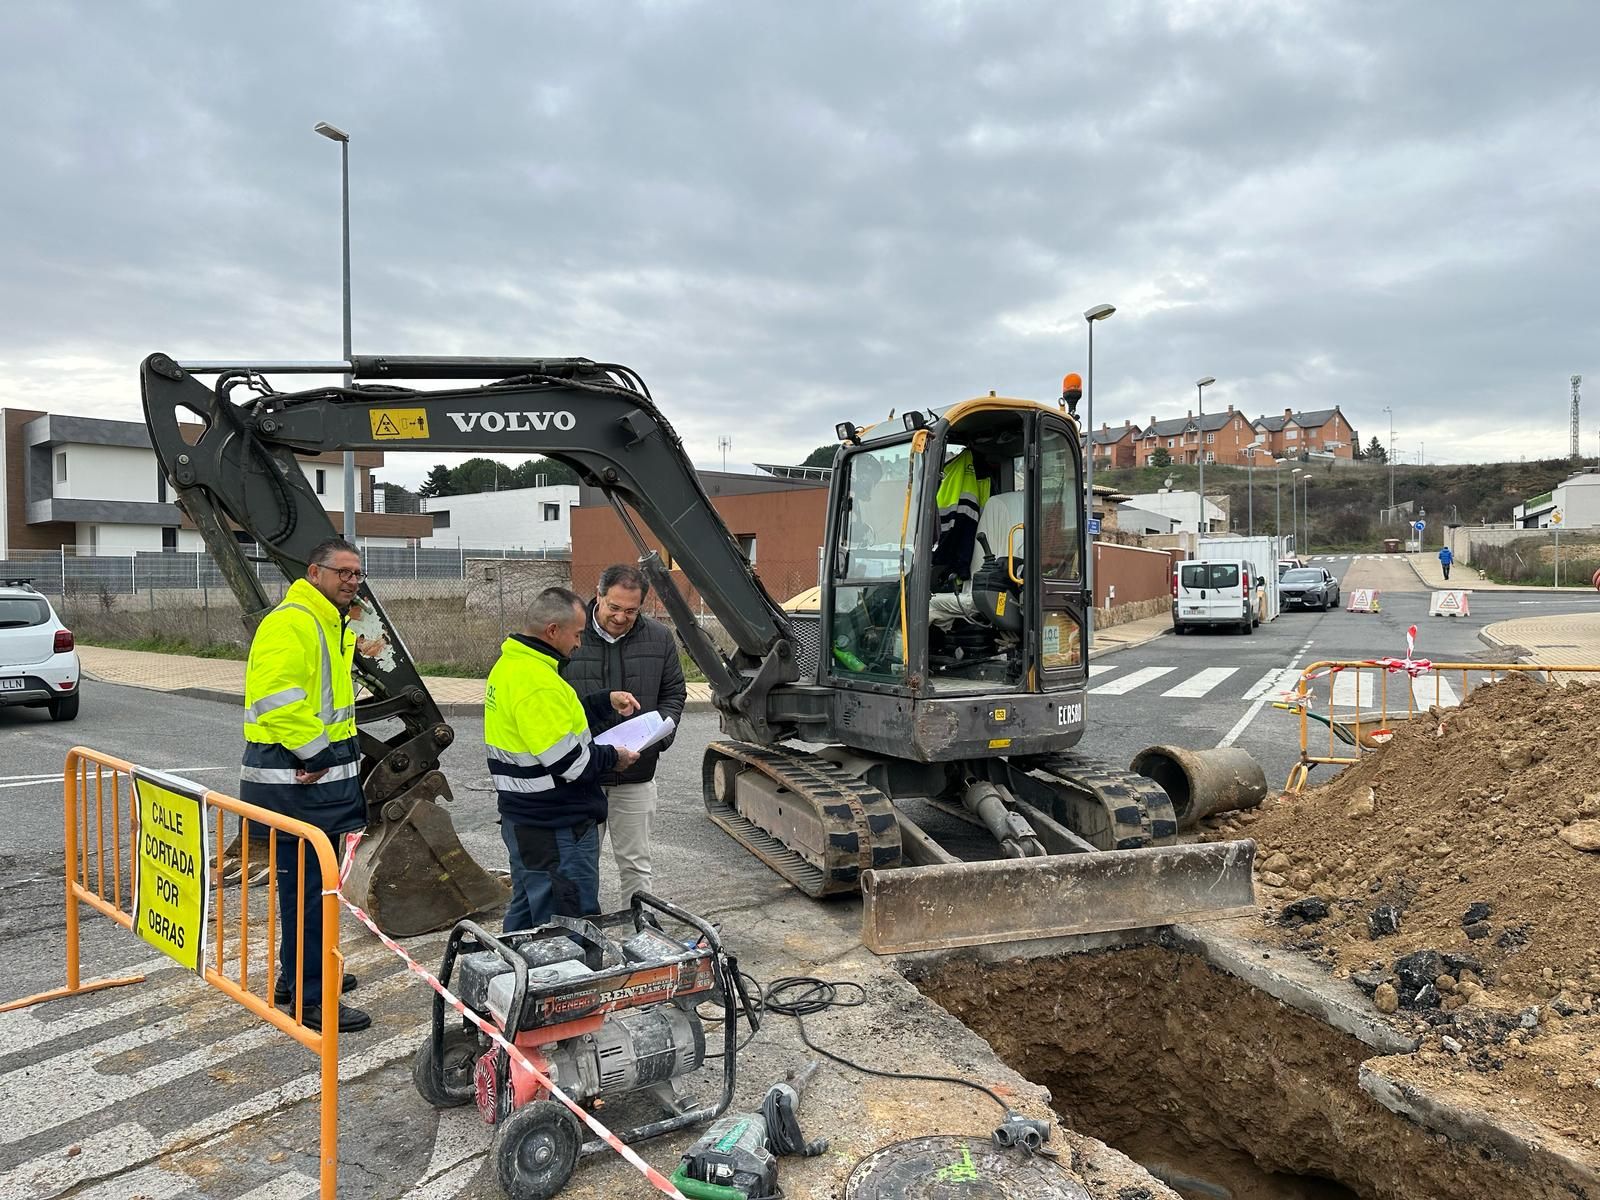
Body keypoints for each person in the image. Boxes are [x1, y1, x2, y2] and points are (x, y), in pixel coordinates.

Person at [240, 537, 370, 1034]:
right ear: (314, 573)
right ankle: (313, 1000)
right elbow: (277, 698)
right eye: (343, 572)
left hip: (315, 788)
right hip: (298, 785)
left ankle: (296, 980)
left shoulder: (327, 623)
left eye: (357, 574)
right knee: (312, 896)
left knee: (306, 893)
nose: (352, 581)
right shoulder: (293, 622)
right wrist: (316, 753)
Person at [485, 586, 640, 930]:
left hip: (525, 820)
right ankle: (564, 981)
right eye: (578, 633)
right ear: (553, 630)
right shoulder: (538, 682)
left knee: (527, 915)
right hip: (556, 828)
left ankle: (515, 980)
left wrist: (602, 702)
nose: (579, 643)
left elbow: (549, 728)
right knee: (569, 924)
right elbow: (571, 763)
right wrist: (615, 757)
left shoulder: (513, 665)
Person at [561, 564, 687, 907]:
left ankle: (640, 935)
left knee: (636, 866)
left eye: (631, 611)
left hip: (636, 775)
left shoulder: (660, 638)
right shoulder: (569, 635)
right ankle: (582, 941)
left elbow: (674, 693)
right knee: (577, 868)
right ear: (598, 596)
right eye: (614, 607)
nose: (621, 617)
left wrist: (659, 737)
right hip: (581, 776)